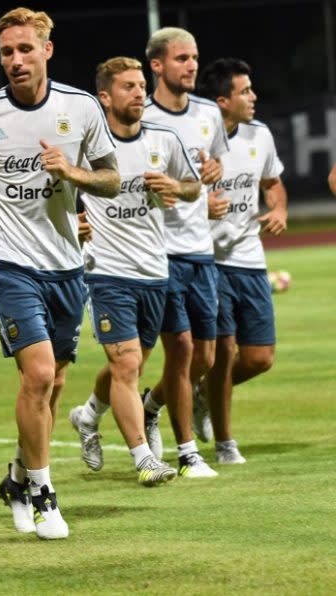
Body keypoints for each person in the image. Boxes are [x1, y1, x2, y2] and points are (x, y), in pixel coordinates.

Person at [0, 7, 120, 539]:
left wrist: (73, 172)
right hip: (6, 260)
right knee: (38, 375)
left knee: (54, 383)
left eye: (25, 49)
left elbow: (111, 180)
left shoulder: (81, 108)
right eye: (6, 52)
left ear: (47, 50)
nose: (15, 60)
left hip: (66, 264)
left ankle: (18, 477)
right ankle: (44, 495)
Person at [67, 57, 201, 486]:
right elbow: (52, 193)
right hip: (107, 271)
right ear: (105, 96)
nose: (140, 93)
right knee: (125, 364)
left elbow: (193, 185)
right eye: (128, 86)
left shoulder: (164, 139)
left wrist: (175, 188)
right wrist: (75, 222)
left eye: (142, 85)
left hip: (154, 271)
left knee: (134, 364)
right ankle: (144, 459)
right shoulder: (88, 147)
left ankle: (88, 415)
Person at [139, 27, 229, 478]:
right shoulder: (143, 117)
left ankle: (149, 404)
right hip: (160, 252)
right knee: (181, 350)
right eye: (181, 58)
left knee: (206, 359)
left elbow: (212, 167)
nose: (192, 65)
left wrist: (213, 176)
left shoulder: (209, 113)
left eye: (194, 57)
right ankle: (188, 452)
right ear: (157, 65)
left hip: (201, 250)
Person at [194, 58, 288, 463]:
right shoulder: (194, 140)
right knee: (224, 349)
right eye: (244, 91)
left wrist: (279, 210)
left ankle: (199, 394)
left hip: (250, 256)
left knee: (258, 358)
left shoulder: (259, 135)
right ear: (222, 101)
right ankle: (225, 444)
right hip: (208, 258)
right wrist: (200, 207)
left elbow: (273, 183)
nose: (253, 97)